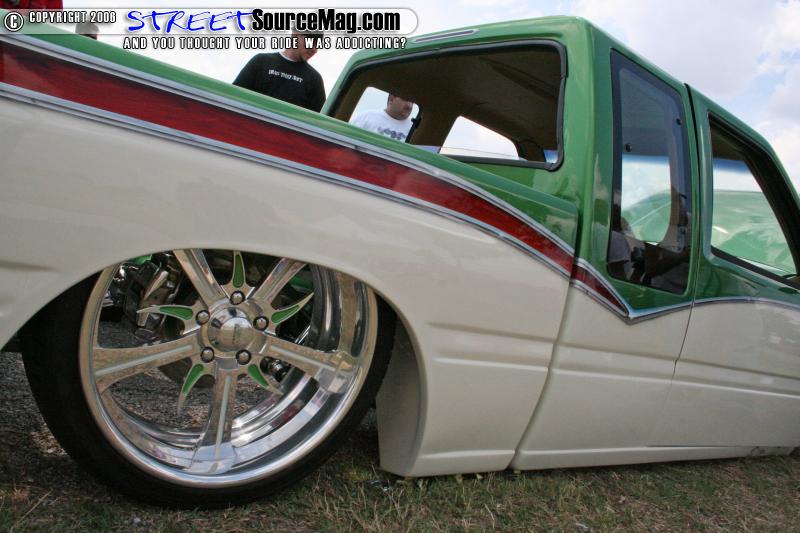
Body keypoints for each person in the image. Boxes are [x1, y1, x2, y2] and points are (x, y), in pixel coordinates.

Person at [233, 31, 325, 112]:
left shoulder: (315, 79)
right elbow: (234, 96)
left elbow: (320, 120)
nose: (315, 50)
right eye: (312, 41)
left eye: (318, 45)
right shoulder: (260, 62)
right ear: (296, 35)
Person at [350, 94, 414, 142]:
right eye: (405, 99)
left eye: (412, 102)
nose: (409, 106)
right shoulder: (366, 118)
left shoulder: (414, 130)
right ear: (391, 99)